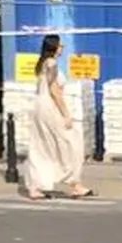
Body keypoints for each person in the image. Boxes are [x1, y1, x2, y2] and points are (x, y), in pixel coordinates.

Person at [21, 34, 91, 201]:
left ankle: (36, 186)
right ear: (54, 47)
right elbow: (55, 91)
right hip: (49, 107)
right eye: (60, 45)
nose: (62, 48)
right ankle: (74, 183)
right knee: (70, 141)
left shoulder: (42, 64)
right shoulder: (51, 64)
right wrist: (66, 114)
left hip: (40, 105)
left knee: (42, 145)